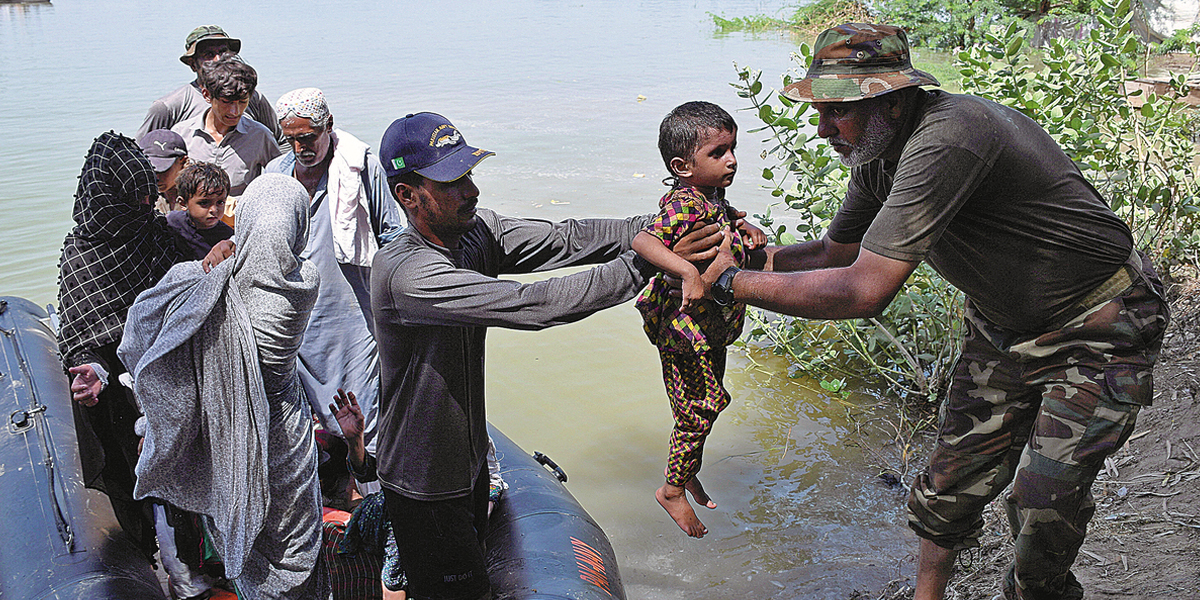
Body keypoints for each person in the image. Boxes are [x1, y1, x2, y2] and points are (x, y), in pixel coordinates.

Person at [697, 23, 1169, 600]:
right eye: (819, 111)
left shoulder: (950, 138)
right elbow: (832, 254)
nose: (822, 130)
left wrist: (730, 285)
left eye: (836, 112)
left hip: (1098, 326)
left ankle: (1038, 592)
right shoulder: (877, 157)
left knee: (1045, 499)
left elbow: (863, 291)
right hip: (1002, 327)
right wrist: (749, 256)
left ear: (889, 102)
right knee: (948, 484)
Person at [370, 111, 668, 600]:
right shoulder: (409, 274)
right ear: (407, 196)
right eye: (452, 182)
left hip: (467, 465)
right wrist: (645, 267)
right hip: (424, 482)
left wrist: (656, 228)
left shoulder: (475, 234)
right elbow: (532, 304)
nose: (472, 191)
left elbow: (566, 239)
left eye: (468, 174)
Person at [118, 174, 328, 600]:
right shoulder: (305, 281)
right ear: (298, 224)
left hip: (232, 435)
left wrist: (202, 266)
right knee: (295, 540)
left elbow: (142, 321)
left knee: (248, 535)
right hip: (287, 435)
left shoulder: (216, 280)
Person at [630, 101, 765, 538]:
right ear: (682, 167)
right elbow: (643, 240)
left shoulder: (710, 197)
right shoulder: (682, 205)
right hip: (684, 330)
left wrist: (742, 229)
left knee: (700, 407)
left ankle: (687, 471)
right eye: (718, 153)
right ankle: (671, 489)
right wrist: (687, 270)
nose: (732, 160)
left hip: (710, 329)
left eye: (733, 148)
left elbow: (721, 218)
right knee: (700, 410)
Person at [56, 131, 182, 561]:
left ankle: (191, 557)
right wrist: (91, 369)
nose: (146, 209)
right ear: (109, 200)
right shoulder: (82, 255)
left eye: (149, 198)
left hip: (165, 379)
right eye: (136, 202)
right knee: (130, 480)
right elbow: (80, 333)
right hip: (116, 399)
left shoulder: (155, 234)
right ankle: (147, 552)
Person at [264, 88, 405, 458]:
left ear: (329, 125)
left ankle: (369, 490)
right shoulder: (275, 175)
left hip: (352, 313)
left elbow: (392, 236)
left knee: (362, 407)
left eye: (308, 138)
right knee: (300, 413)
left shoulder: (360, 167)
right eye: (290, 140)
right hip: (296, 315)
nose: (299, 149)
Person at [171, 53, 280, 216]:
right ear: (207, 95)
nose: (235, 112)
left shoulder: (260, 136)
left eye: (243, 102)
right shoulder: (181, 135)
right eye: (227, 102)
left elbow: (279, 183)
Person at [137, 25, 281, 144]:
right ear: (193, 64)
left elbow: (281, 140)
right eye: (208, 54)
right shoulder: (169, 107)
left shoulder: (252, 97)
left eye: (224, 52)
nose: (219, 59)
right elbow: (142, 152)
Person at [166, 161, 235, 260]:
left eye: (220, 202)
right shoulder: (171, 224)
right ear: (183, 203)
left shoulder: (227, 237)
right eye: (204, 203)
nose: (214, 210)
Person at [137, 128, 190, 213]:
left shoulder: (200, 196)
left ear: (183, 161)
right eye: (150, 170)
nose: (156, 177)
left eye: (163, 170)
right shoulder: (139, 197)